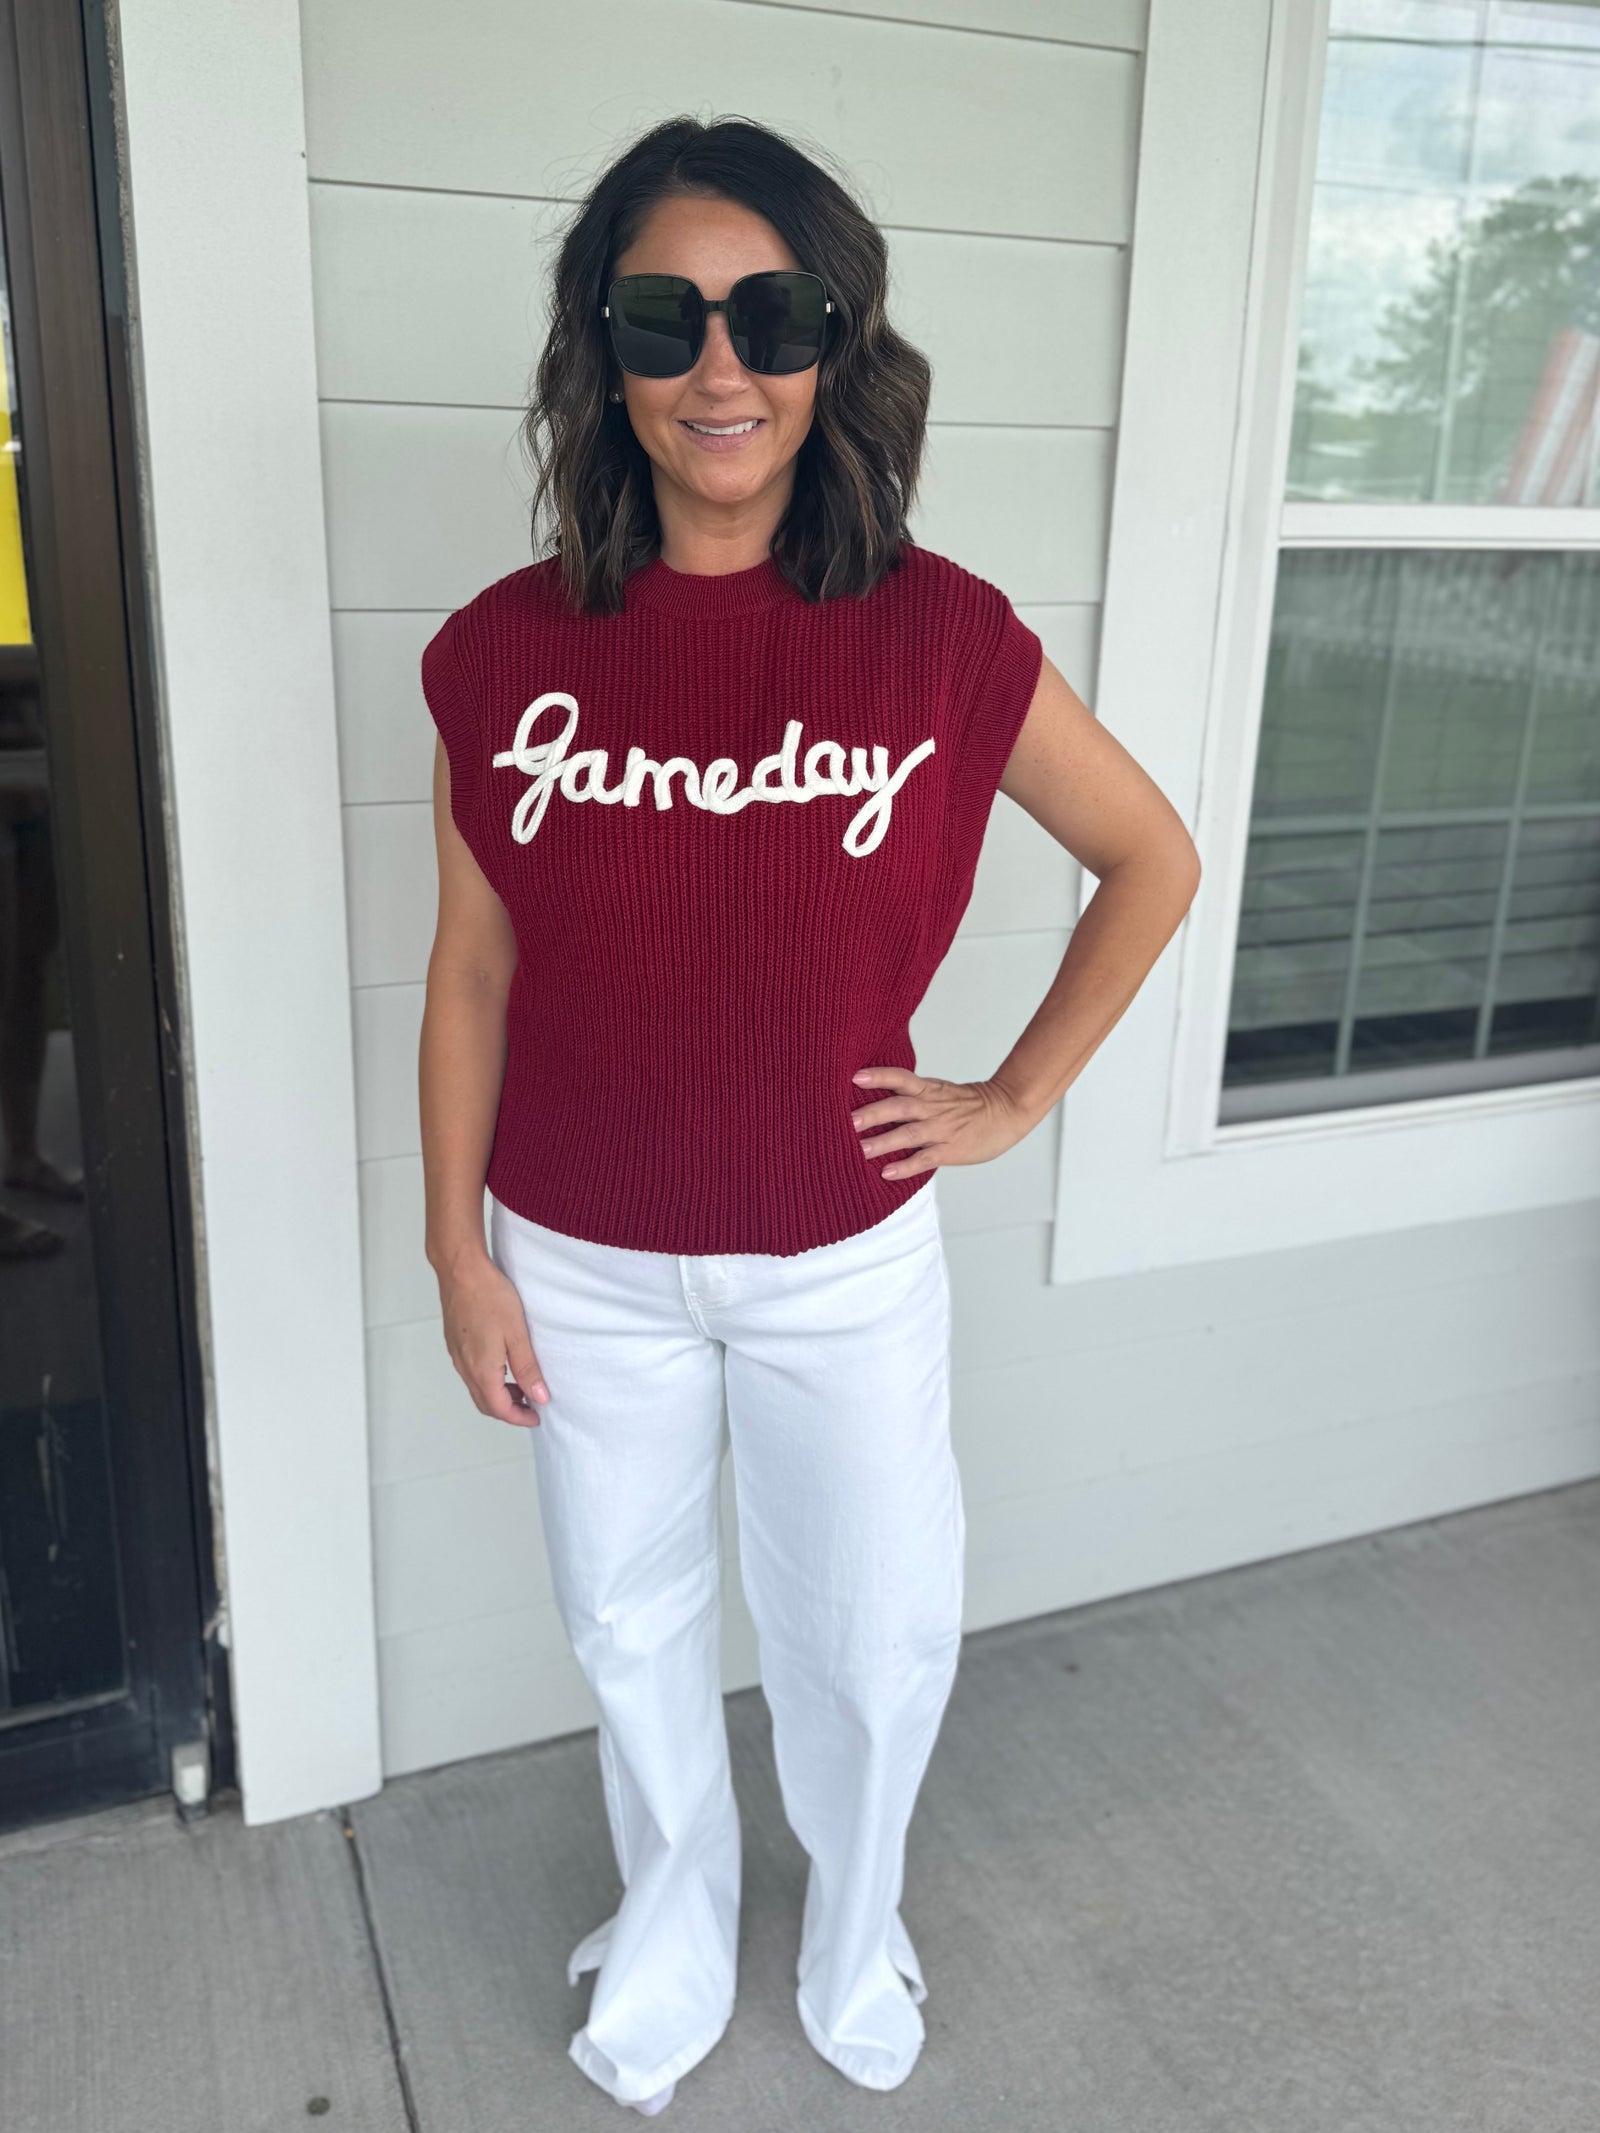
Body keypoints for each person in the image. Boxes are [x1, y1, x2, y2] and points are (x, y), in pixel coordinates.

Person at [418, 114, 1201, 2116]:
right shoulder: (503, 656)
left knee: (866, 1638)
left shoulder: (938, 635)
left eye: (769, 313)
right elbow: (474, 969)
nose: (717, 362)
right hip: (575, 1255)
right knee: (627, 1624)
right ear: (602, 351)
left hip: (837, 1253)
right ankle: (668, 1922)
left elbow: (1147, 856)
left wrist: (1015, 1092)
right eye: (662, 315)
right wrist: (454, 1249)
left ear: (833, 343)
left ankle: (855, 1921)